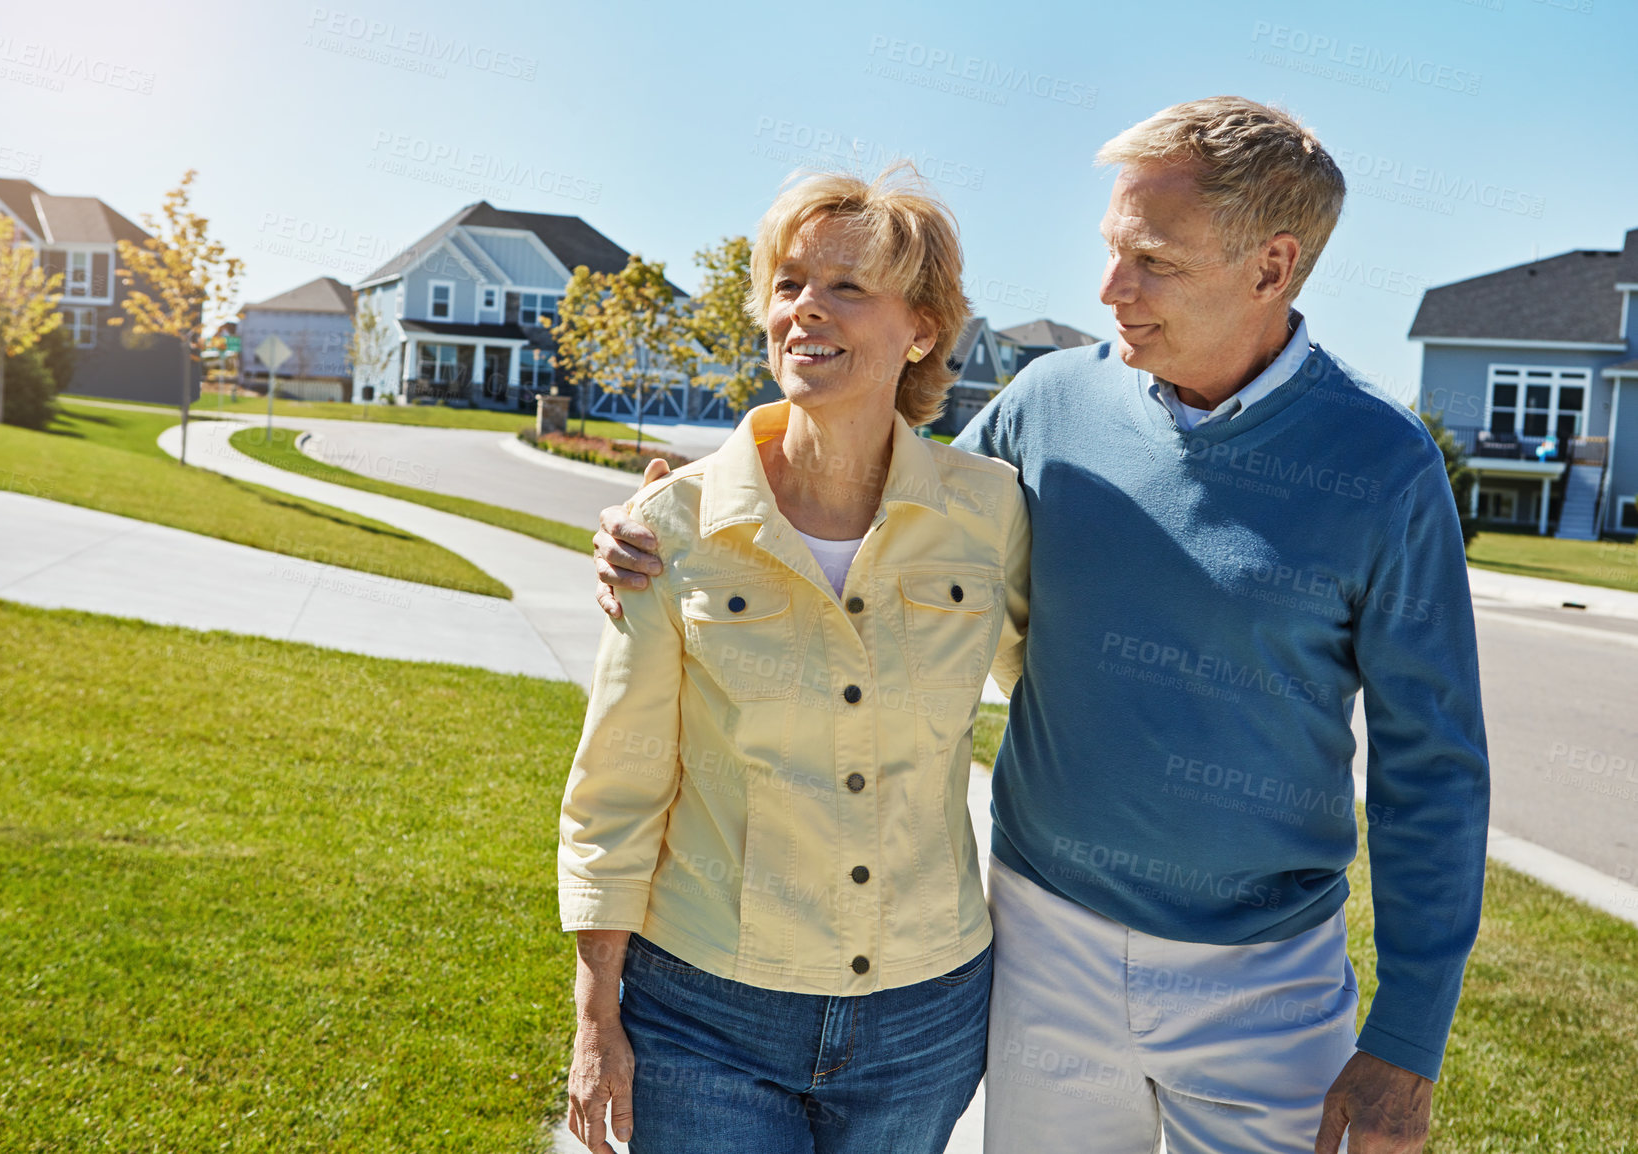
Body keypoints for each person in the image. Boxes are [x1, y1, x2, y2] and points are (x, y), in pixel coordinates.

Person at [591, 97, 1490, 1154]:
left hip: (1265, 978)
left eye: (1151, 260)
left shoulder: (1383, 466)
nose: (1110, 289)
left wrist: (1409, 1035)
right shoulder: (1045, 405)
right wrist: (669, 521)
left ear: (1270, 267)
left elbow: (1433, 765)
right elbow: (886, 509)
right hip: (1039, 945)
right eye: (1112, 250)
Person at [559, 165, 1031, 1154]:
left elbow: (1061, 692)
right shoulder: (668, 526)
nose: (805, 309)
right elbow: (617, 787)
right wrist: (595, 1014)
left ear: (922, 328)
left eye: (847, 286)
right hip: (703, 1011)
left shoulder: (988, 512)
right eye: (787, 283)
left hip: (924, 1018)